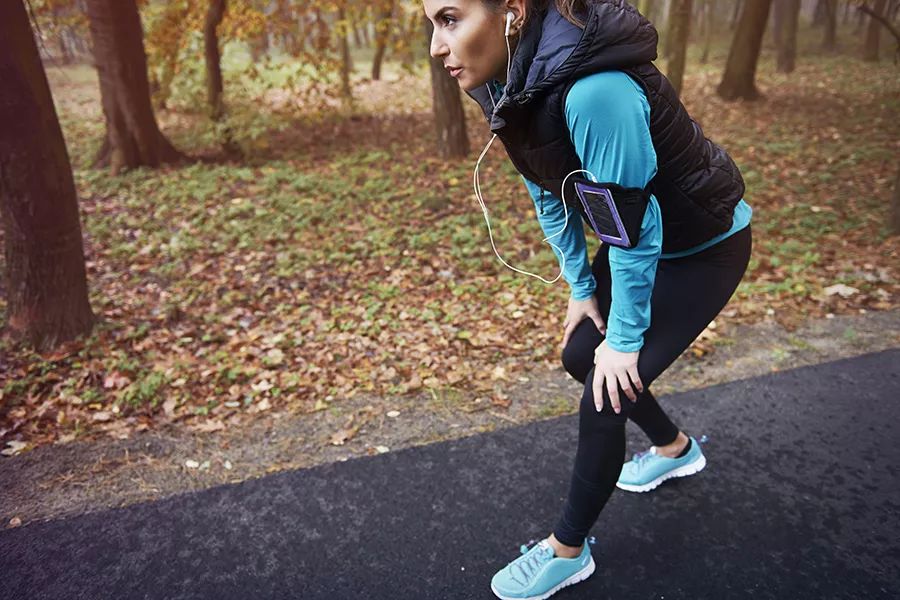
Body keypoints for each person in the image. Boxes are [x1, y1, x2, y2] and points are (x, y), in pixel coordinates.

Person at [423, 1, 753, 598]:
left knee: (607, 389)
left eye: (449, 19)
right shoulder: (510, 79)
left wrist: (625, 341)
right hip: (643, 238)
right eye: (432, 25)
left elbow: (632, 225)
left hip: (704, 245)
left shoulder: (595, 91)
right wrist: (580, 287)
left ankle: (566, 551)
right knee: (582, 354)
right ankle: (674, 448)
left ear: (513, 11)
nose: (436, 47)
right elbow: (547, 188)